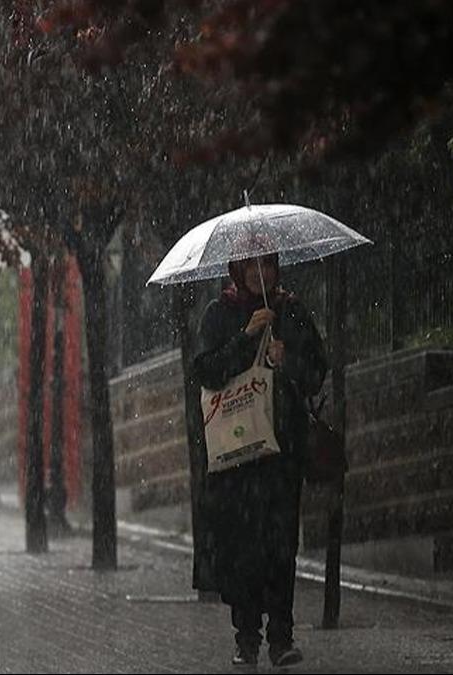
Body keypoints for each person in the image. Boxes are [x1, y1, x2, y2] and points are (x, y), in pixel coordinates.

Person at [191, 252, 326, 668]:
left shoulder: (291, 310)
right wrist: (246, 338)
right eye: (250, 265)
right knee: (242, 549)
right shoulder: (220, 313)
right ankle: (246, 636)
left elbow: (318, 372)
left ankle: (281, 637)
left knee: (281, 546)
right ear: (237, 270)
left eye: (266, 264)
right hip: (236, 457)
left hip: (281, 454)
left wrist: (289, 362)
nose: (258, 273)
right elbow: (207, 371)